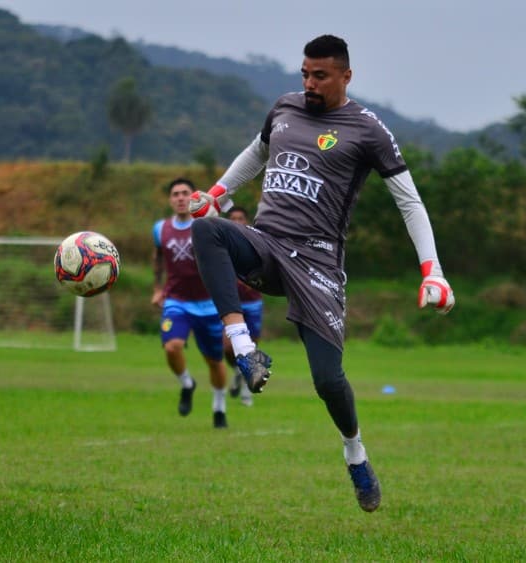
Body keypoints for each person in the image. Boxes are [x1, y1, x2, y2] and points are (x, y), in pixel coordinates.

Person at [188, 35, 455, 512]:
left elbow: (409, 203)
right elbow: (256, 153)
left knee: (328, 381)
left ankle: (355, 451)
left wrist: (432, 271)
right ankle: (246, 350)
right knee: (207, 231)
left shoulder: (368, 129)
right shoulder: (284, 108)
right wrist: (216, 191)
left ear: (346, 76)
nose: (309, 83)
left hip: (318, 264)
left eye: (321, 76)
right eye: (305, 74)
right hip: (267, 244)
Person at [152, 178, 230, 429]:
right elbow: (157, 258)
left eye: (185, 193)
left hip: (209, 303)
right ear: (170, 200)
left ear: (193, 197)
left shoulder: (206, 225)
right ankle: (187, 383)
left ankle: (219, 407)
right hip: (176, 301)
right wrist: (157, 288)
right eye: (175, 194)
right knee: (172, 347)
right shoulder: (160, 229)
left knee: (214, 361)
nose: (181, 198)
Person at [223, 206, 262, 407]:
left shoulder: (254, 241)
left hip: (252, 301)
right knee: (228, 348)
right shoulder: (222, 243)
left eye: (240, 218)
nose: (237, 221)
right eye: (233, 218)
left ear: (246, 221)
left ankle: (247, 391)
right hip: (230, 302)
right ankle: (238, 371)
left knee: (250, 347)